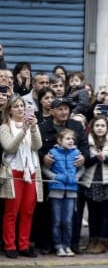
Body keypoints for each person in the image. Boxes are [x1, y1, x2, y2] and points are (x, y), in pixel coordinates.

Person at [0, 95, 43, 258]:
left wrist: (32, 128)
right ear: (10, 110)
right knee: (11, 211)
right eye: (16, 106)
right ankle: (10, 245)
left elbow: (37, 146)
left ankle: (24, 245)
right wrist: (23, 130)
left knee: (28, 211)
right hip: (14, 172)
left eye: (22, 106)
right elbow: (10, 147)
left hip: (30, 172)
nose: (20, 109)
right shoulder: (4, 127)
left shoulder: (32, 124)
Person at [80, 115, 108, 254]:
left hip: (106, 182)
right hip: (91, 181)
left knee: (104, 214)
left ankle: (102, 241)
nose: (100, 128)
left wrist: (105, 159)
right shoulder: (87, 141)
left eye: (102, 126)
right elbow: (85, 161)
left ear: (107, 127)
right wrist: (96, 158)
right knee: (92, 214)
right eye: (97, 126)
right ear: (92, 127)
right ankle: (92, 240)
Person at [43, 128, 83, 257]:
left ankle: (67, 245)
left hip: (71, 191)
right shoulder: (52, 152)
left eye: (72, 139)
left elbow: (82, 168)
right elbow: (45, 168)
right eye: (67, 138)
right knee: (57, 220)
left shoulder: (77, 152)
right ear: (60, 140)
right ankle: (58, 246)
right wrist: (55, 177)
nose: (71, 141)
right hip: (56, 191)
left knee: (68, 221)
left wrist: (76, 178)